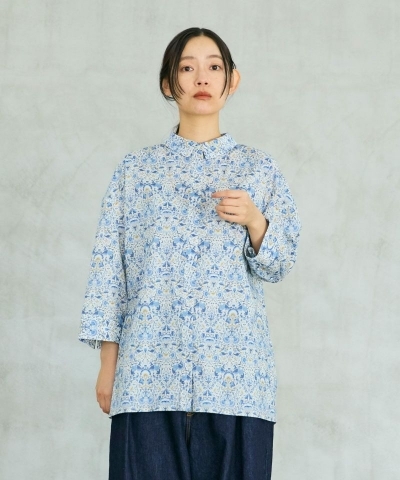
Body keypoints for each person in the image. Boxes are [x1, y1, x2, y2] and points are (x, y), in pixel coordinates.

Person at [78, 26, 301, 480]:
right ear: (168, 82)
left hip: (237, 380)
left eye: (214, 67)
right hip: (146, 375)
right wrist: (108, 365)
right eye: (187, 67)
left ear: (232, 80)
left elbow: (279, 264)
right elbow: (108, 272)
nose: (202, 77)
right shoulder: (136, 171)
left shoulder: (259, 169)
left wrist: (255, 221)